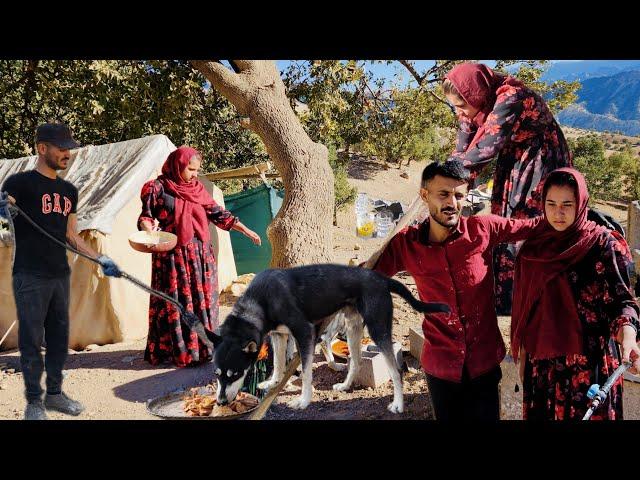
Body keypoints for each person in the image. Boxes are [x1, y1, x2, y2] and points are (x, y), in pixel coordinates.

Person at [373, 159, 542, 420]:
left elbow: (532, 228)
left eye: (459, 195)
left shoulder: (482, 230)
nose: (452, 203)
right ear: (424, 195)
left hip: (483, 362)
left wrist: (579, 221)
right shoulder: (406, 244)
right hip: (440, 365)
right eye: (443, 194)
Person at [0, 123, 121, 420]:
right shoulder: (20, 183)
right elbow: (4, 208)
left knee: (57, 336)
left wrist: (100, 259)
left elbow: (73, 235)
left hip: (58, 274)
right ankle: (33, 403)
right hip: (29, 273)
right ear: (42, 148)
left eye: (69, 148)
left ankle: (54, 394)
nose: (67, 154)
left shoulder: (69, 191)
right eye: (61, 148)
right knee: (31, 338)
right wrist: (5, 208)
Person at [511, 168, 640, 420]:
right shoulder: (532, 250)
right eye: (551, 204)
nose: (558, 213)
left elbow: (622, 303)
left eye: (567, 204)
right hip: (542, 370)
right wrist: (523, 357)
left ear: (581, 203)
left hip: (589, 367)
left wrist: (628, 337)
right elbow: (526, 310)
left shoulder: (603, 245)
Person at [444, 63, 572, 314]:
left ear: (476, 95)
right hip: (514, 158)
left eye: (461, 106)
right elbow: (463, 148)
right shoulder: (473, 103)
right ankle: (507, 298)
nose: (460, 112)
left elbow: (485, 149)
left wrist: (445, 181)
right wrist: (444, 178)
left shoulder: (511, 98)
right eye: (454, 106)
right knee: (505, 218)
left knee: (526, 222)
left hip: (539, 160)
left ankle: (534, 298)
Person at [138, 146, 261, 368]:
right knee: (178, 303)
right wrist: (149, 231)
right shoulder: (157, 188)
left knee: (202, 302)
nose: (195, 174)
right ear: (178, 165)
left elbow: (219, 215)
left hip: (201, 256)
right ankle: (180, 351)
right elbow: (146, 217)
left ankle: (202, 349)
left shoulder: (196, 189)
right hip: (172, 257)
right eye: (191, 169)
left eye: (197, 170)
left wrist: (246, 230)